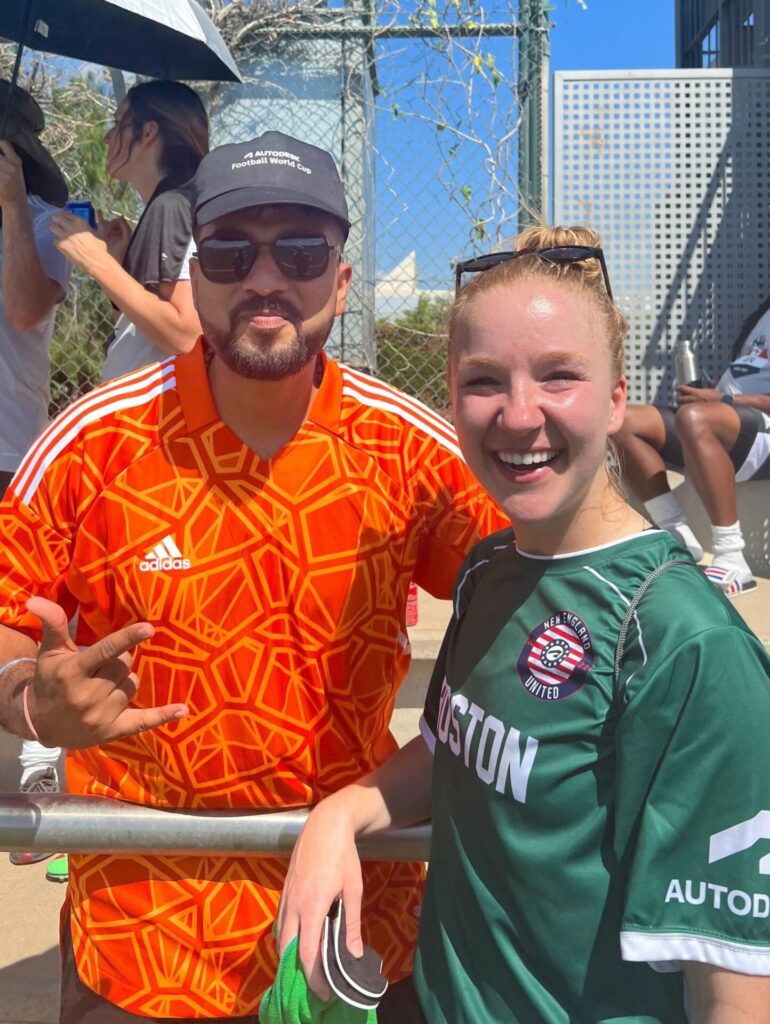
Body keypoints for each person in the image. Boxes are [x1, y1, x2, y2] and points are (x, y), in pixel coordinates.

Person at [0, 131, 506, 1022]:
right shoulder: (92, 443)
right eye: (230, 251)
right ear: (194, 279)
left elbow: (529, 602)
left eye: (302, 251)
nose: (265, 278)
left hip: (353, 914)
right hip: (144, 928)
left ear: (341, 284)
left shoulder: (411, 450)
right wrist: (28, 700)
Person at [278, 227, 770, 1023]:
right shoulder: (487, 568)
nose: (518, 415)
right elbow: (449, 746)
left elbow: (734, 985)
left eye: (559, 376)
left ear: (617, 399)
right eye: (483, 380)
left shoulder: (687, 643)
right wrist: (344, 813)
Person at [0, 79, 70, 871]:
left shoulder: (48, 227)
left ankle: (41, 769)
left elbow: (26, 309)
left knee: (30, 619)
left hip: (10, 451)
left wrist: (15, 206)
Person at [50, 79, 207, 381]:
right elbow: (144, 331)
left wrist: (97, 262)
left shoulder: (173, 205)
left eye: (118, 122)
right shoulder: (170, 202)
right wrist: (120, 263)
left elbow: (188, 338)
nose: (108, 138)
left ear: (148, 132)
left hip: (157, 418)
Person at [615, 300, 770, 597]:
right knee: (621, 420)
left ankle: (732, 556)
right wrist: (711, 392)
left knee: (695, 417)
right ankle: (677, 535)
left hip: (760, 426)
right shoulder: (761, 312)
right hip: (728, 419)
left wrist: (723, 400)